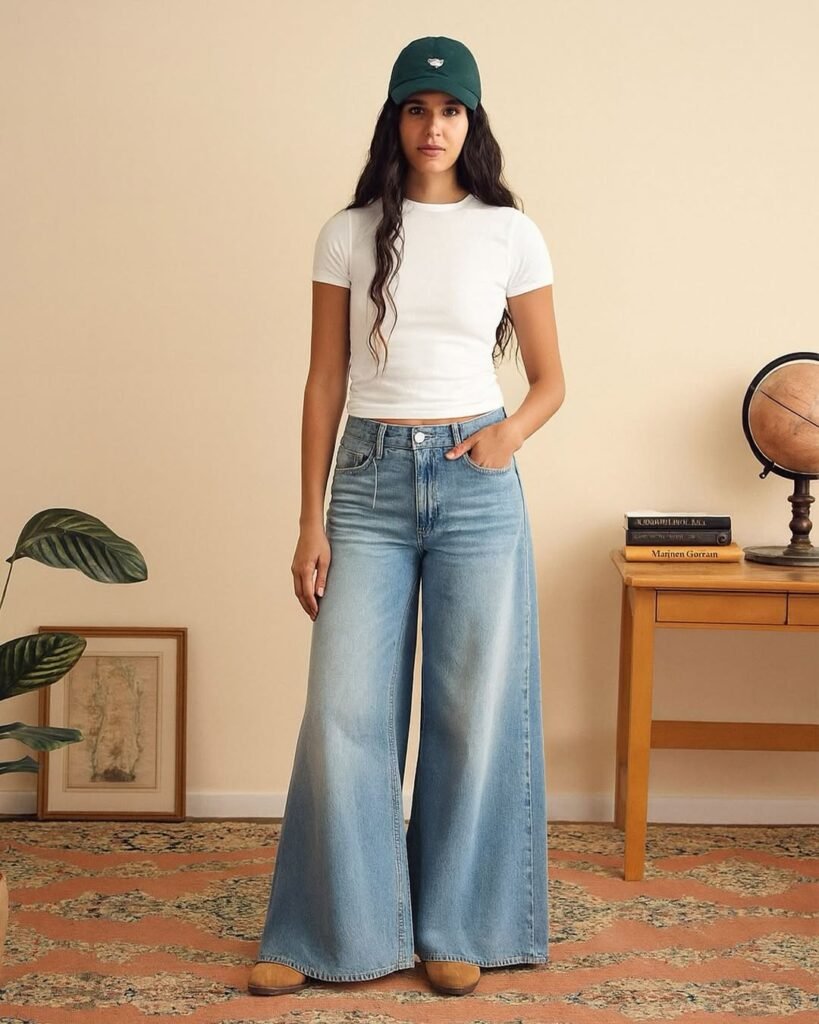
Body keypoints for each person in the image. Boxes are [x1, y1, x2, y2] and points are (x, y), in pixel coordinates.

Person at [248, 35, 564, 999]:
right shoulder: (346, 231)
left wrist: (506, 436)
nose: (435, 126)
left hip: (476, 483)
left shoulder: (510, 232)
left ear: (473, 124)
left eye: (452, 109)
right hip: (369, 482)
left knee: (472, 711)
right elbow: (322, 380)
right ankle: (325, 933)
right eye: (417, 108)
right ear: (395, 121)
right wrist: (309, 520)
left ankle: (455, 925)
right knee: (342, 710)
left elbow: (552, 383)